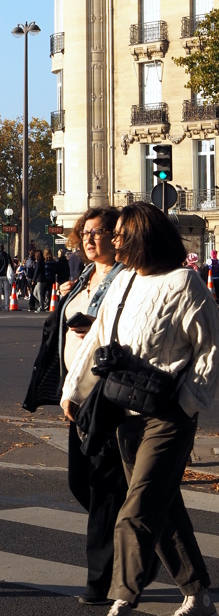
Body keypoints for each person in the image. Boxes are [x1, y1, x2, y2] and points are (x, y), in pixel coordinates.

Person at [62, 202, 219, 616]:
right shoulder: (124, 280)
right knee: (162, 507)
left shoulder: (184, 283)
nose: (113, 241)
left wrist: (186, 406)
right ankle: (197, 592)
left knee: (137, 508)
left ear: (142, 236)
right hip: (123, 410)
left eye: (120, 234)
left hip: (167, 415)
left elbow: (209, 353)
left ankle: (123, 598)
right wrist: (73, 391)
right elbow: (98, 340)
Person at [25, 206, 127, 605]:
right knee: (79, 482)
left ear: (116, 237)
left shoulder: (126, 279)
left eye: (97, 232)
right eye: (84, 233)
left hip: (109, 393)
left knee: (102, 486)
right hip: (77, 396)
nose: (88, 239)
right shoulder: (83, 276)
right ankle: (138, 532)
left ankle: (100, 579)